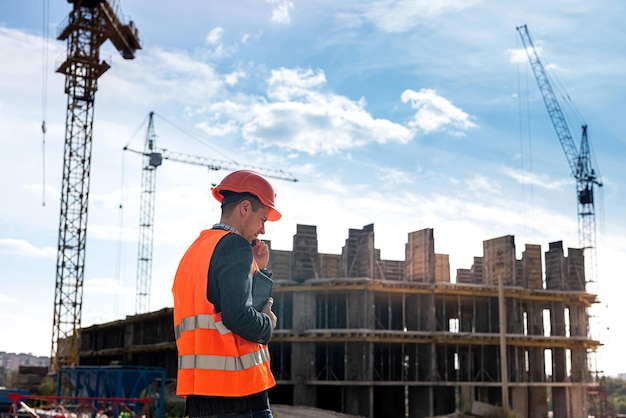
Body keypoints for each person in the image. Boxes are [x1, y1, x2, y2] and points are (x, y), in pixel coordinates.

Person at [172, 170, 280, 418]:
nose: (262, 230)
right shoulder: (234, 245)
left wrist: (258, 271)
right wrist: (267, 325)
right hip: (239, 398)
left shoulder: (196, 251)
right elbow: (238, 316)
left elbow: (221, 308)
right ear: (244, 208)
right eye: (262, 219)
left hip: (200, 399)